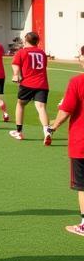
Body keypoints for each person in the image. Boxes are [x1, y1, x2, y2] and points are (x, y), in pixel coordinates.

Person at [45, 46, 84, 237]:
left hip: (81, 142)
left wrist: (53, 127)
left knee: (83, 186)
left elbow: (66, 111)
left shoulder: (77, 82)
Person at [9, 30, 51, 143]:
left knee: (20, 104)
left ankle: (19, 132)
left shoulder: (22, 52)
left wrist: (15, 75)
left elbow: (15, 64)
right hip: (42, 84)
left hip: (28, 84)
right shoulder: (42, 53)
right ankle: (47, 131)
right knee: (41, 108)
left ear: (26, 40)